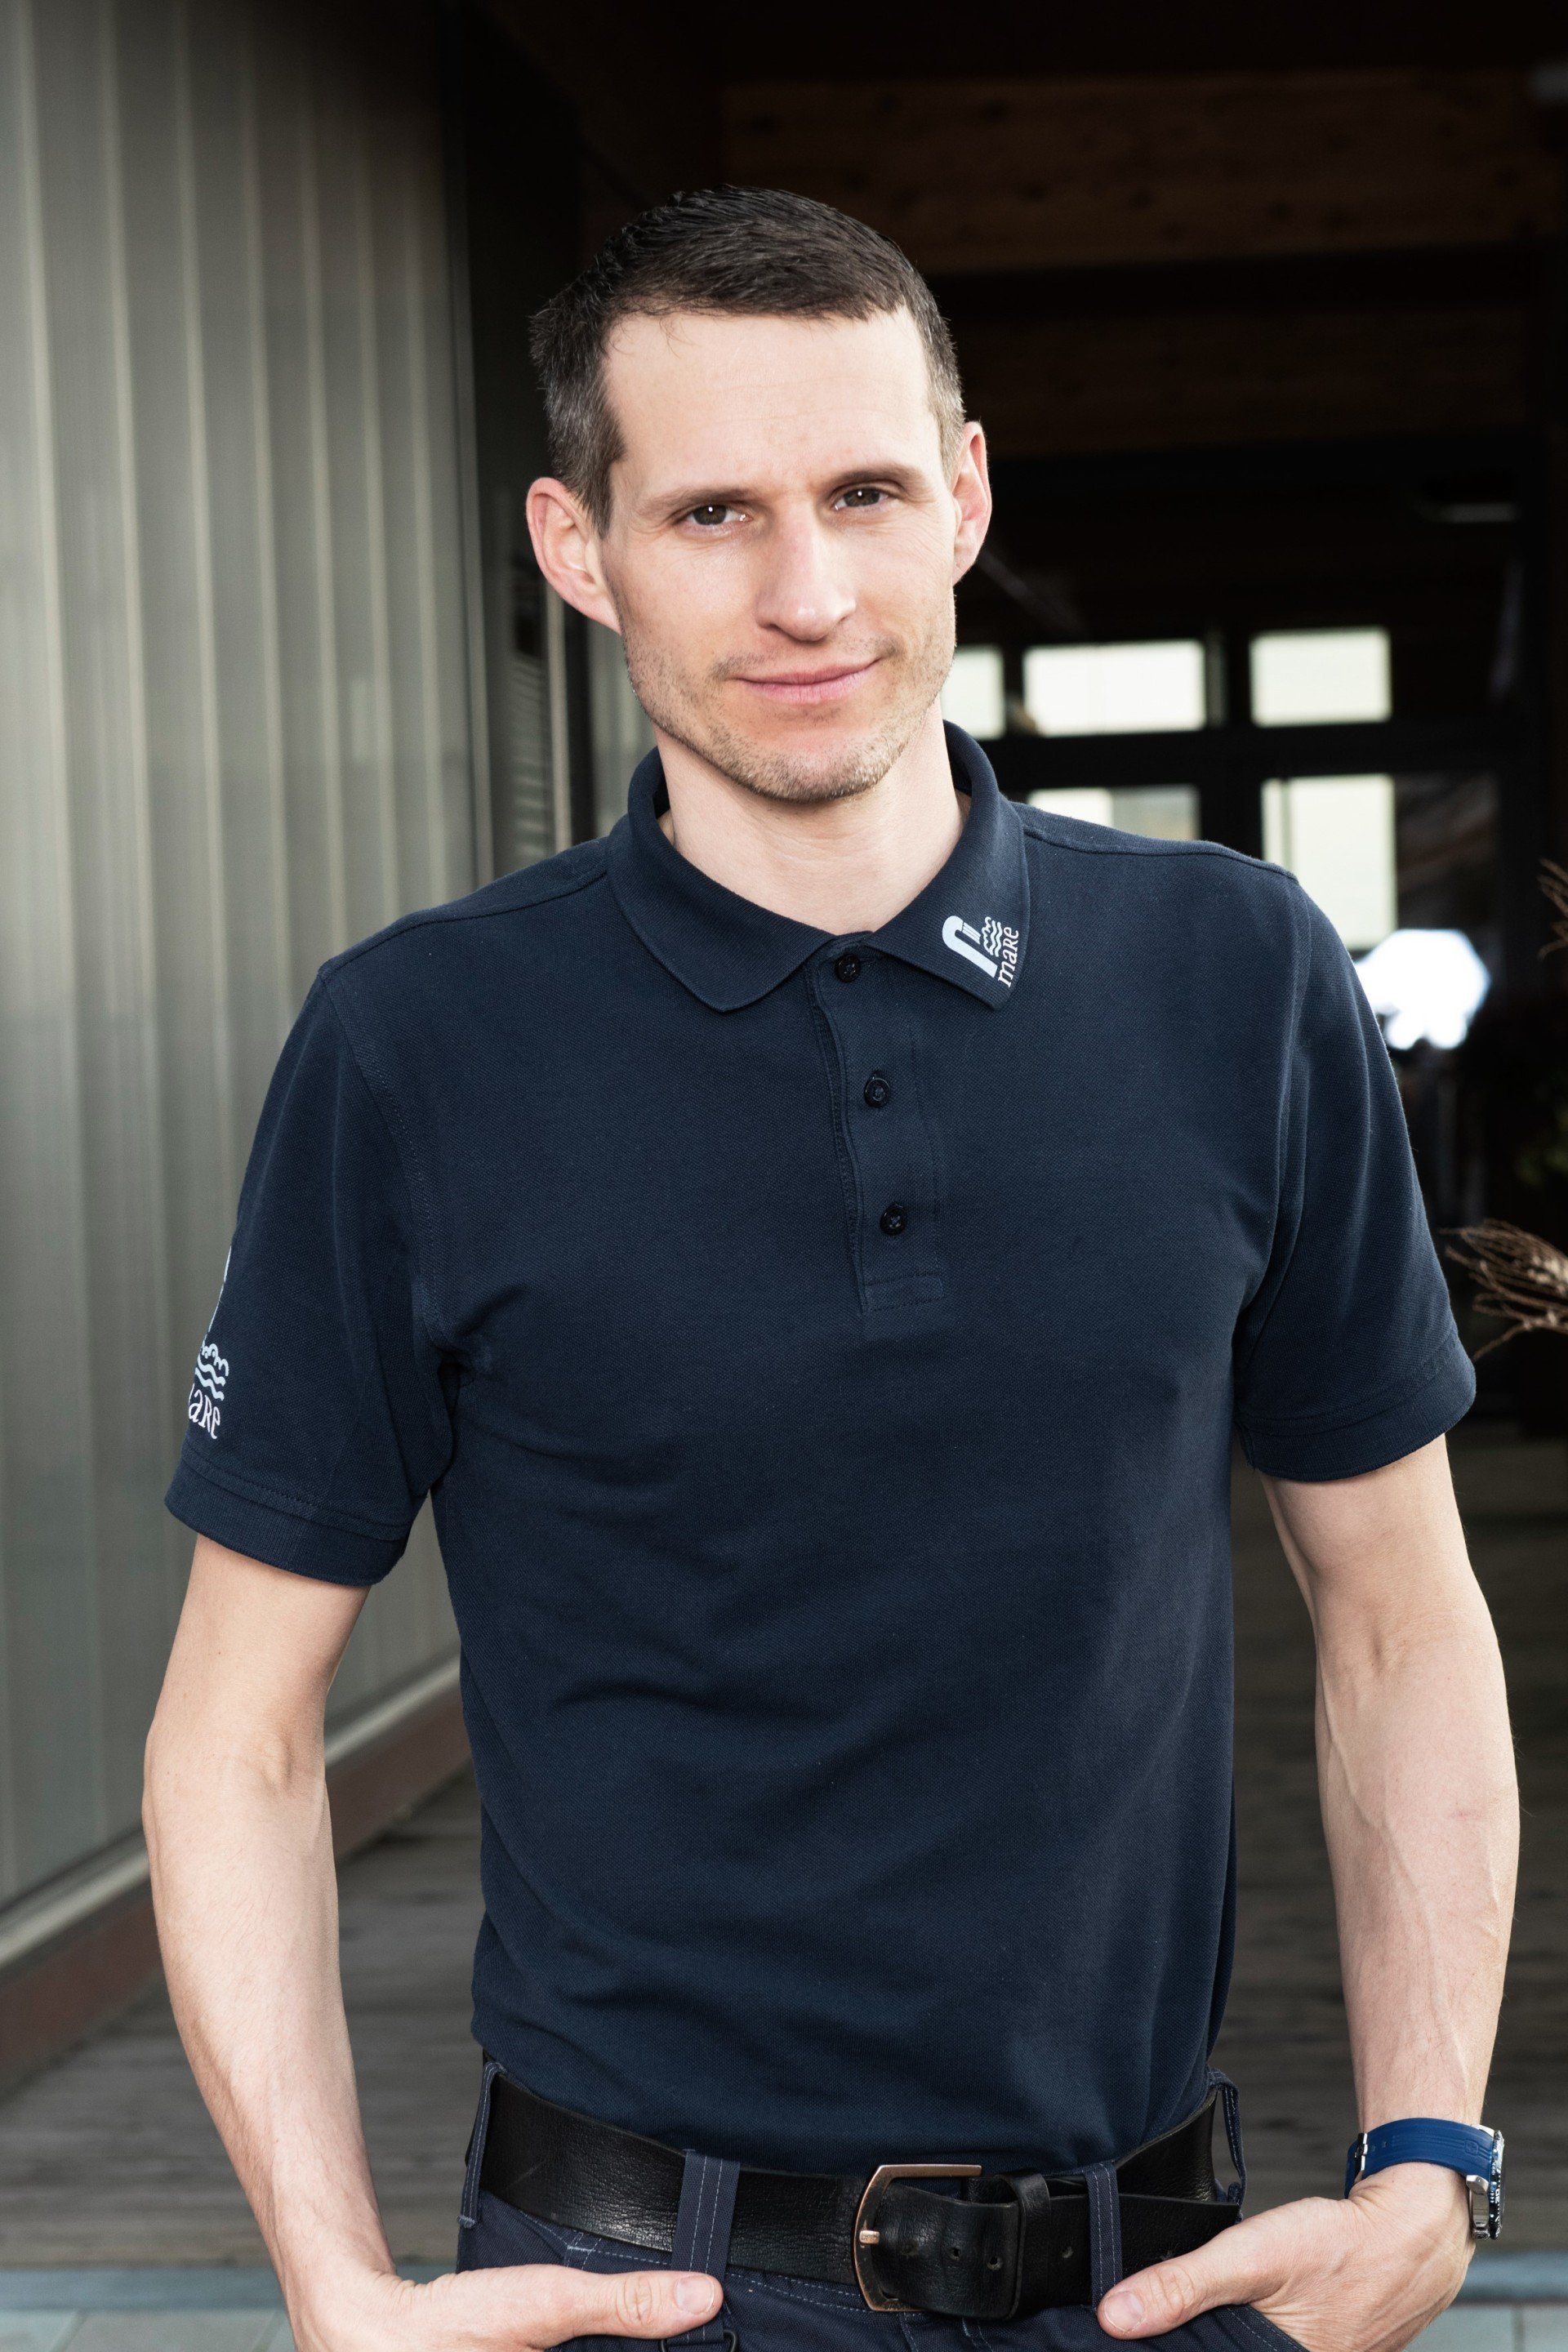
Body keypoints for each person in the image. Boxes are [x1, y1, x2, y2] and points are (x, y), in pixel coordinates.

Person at [145, 187, 1517, 2352]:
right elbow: (236, 1727)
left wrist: (1433, 2156)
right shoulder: (419, 1045)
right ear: (577, 546)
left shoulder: (1237, 976)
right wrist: (331, 2280)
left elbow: (1400, 1610)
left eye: (865, 492)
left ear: (964, 495)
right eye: (712, 514)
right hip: (633, 2292)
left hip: (1154, 2281)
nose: (807, 592)